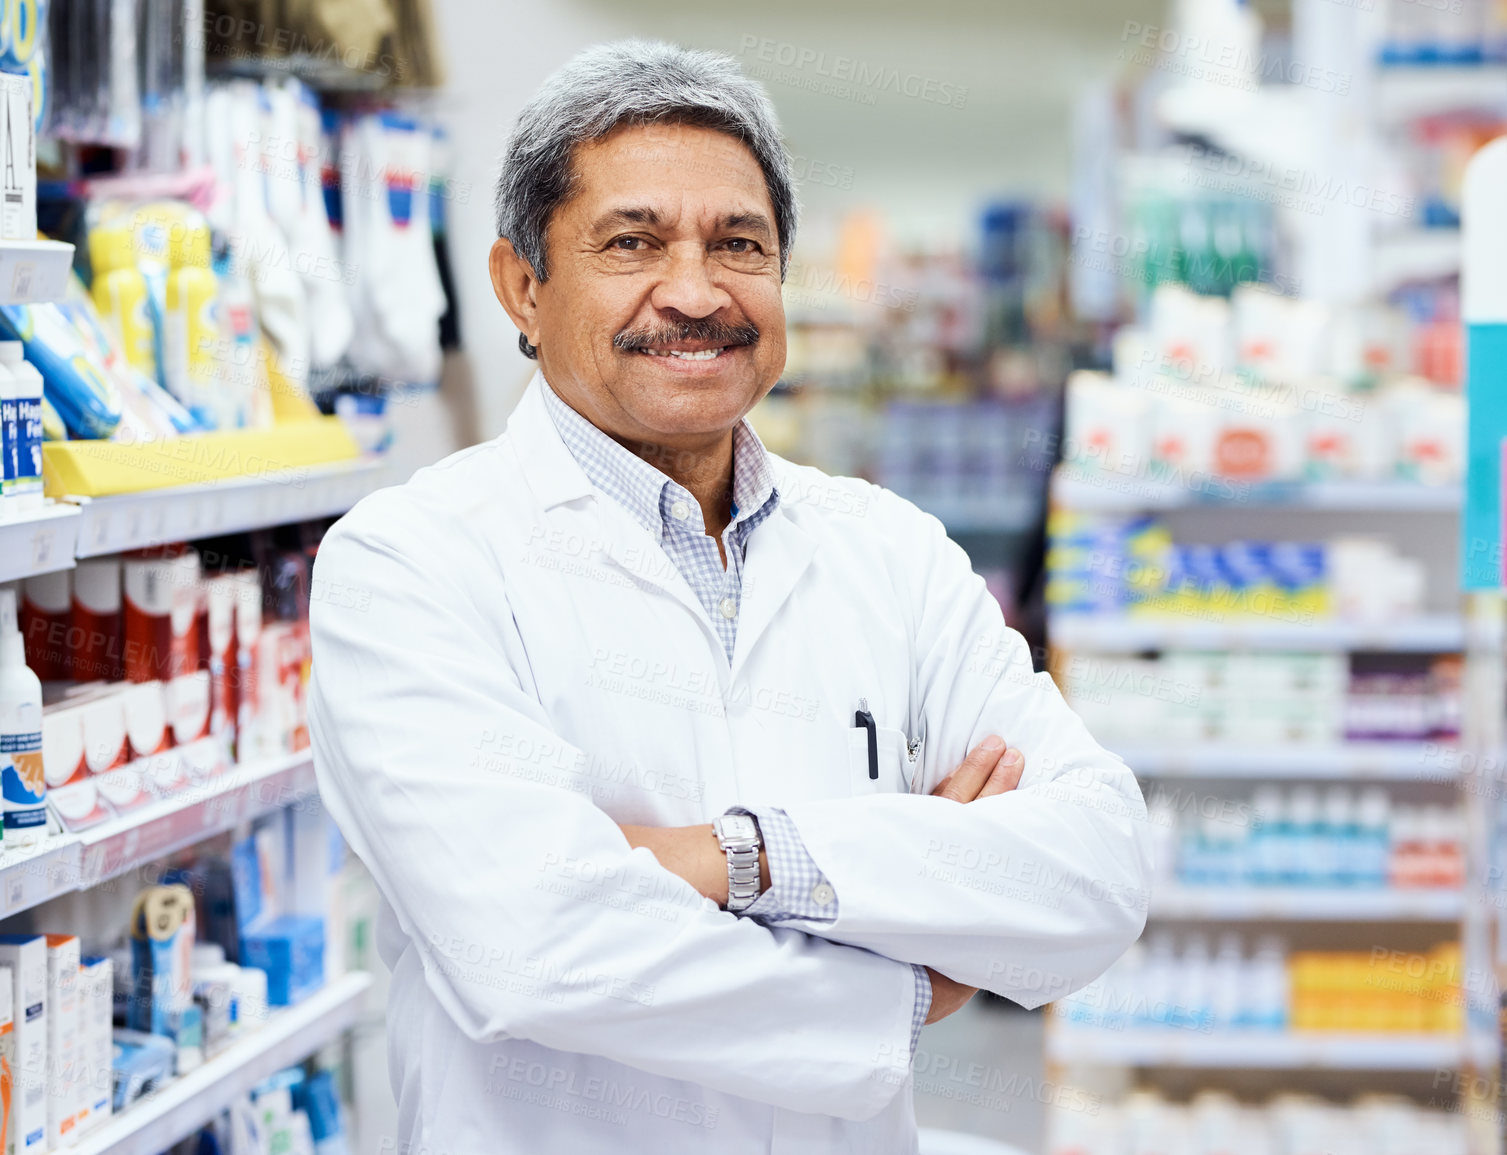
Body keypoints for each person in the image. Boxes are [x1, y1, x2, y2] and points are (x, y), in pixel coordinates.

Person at [307, 39, 1149, 1154]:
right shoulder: (412, 562)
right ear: (523, 284)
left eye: (739, 244)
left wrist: (729, 855)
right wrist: (904, 980)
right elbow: (535, 946)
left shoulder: (888, 552)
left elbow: (1095, 868)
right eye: (632, 243)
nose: (696, 292)